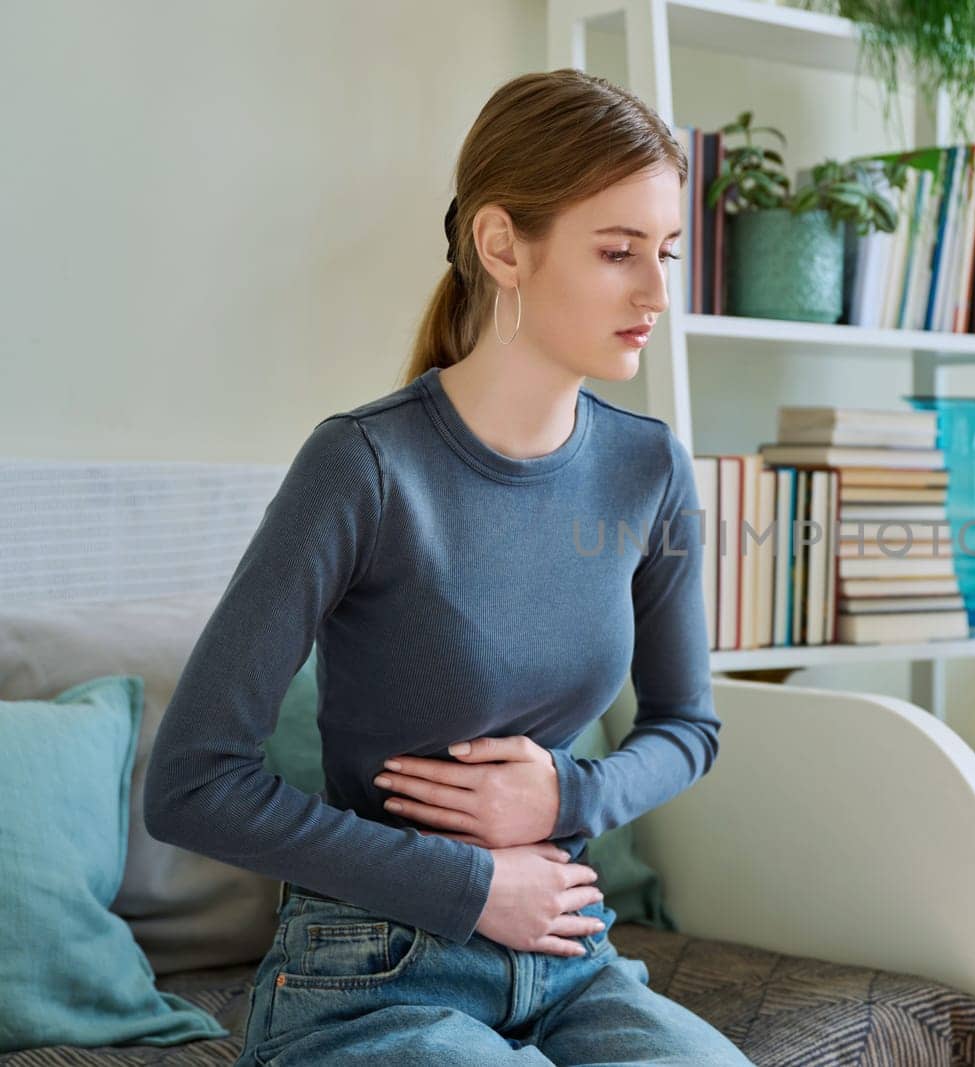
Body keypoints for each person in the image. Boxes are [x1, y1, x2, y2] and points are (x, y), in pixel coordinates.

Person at [142, 68, 753, 1066]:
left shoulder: (650, 468)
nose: (656, 293)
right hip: (370, 971)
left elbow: (689, 726)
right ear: (503, 243)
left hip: (571, 957)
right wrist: (465, 885)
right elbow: (193, 780)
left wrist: (568, 796)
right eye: (617, 252)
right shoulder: (363, 465)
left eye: (666, 253)